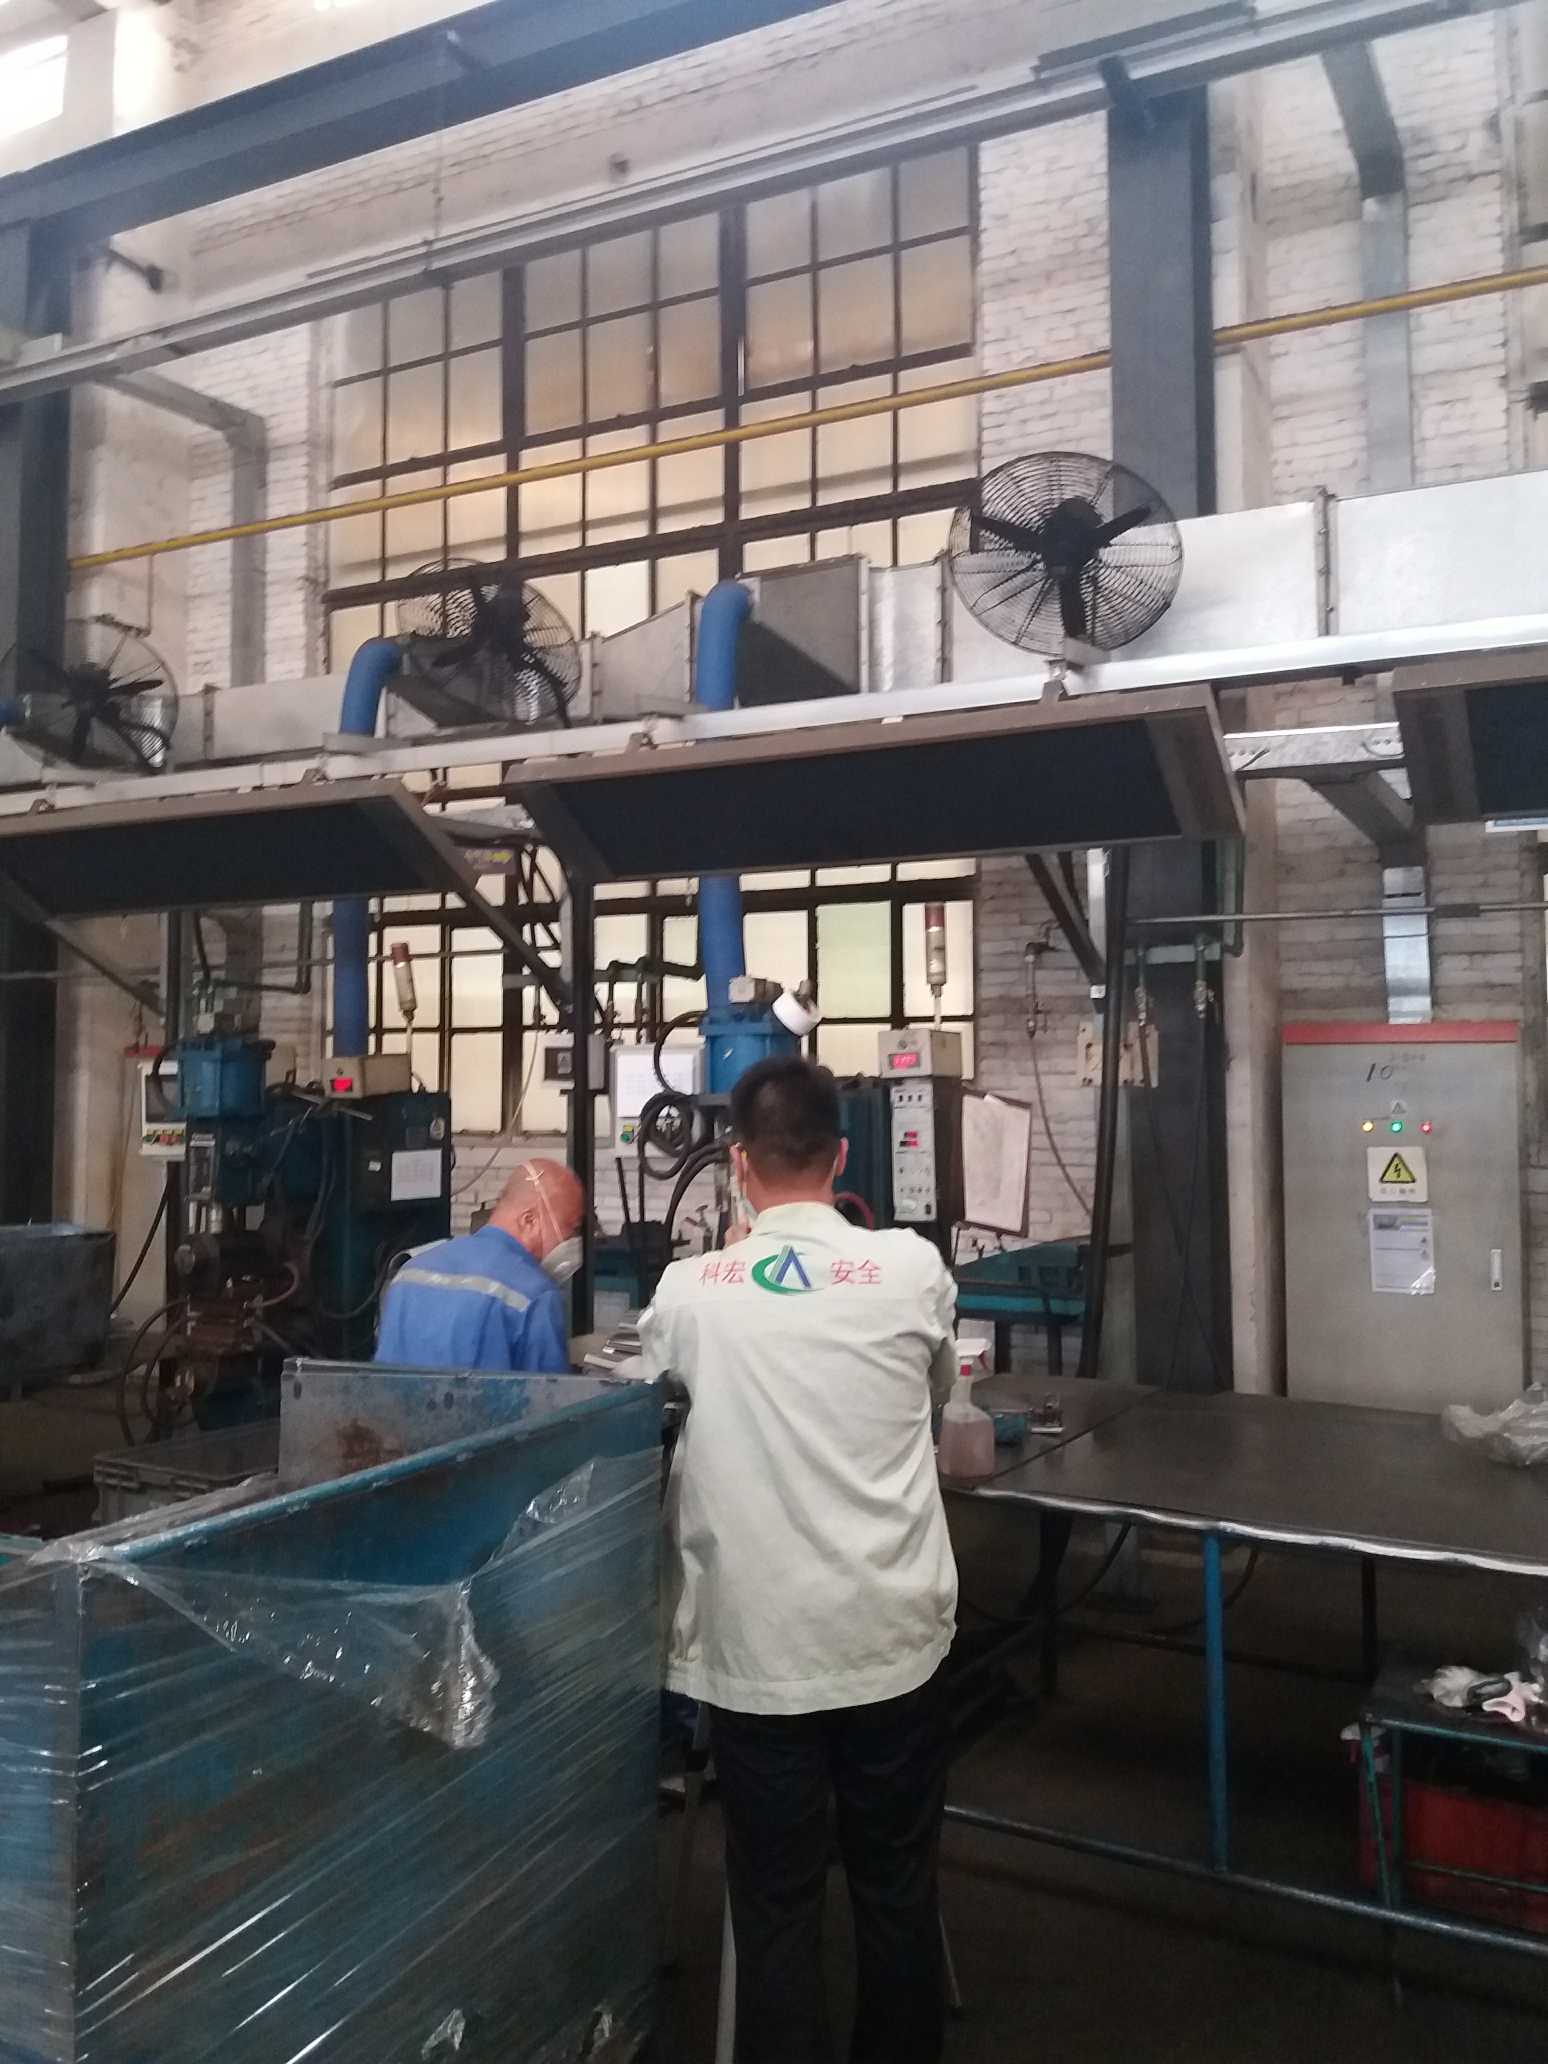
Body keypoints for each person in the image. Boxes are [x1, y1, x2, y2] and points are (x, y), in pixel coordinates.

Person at [639, 1056, 959, 2064]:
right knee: (895, 1885)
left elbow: (653, 1396)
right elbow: (936, 1396)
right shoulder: (910, 1269)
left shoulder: (690, 1292)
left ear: (738, 1164)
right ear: (844, 1156)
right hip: (893, 1636)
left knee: (775, 1905)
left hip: (760, 1649)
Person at [374, 1157, 584, 1373]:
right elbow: (549, 1391)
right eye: (569, 1226)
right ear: (529, 1220)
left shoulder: (409, 1273)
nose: (570, 1239)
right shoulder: (535, 1295)